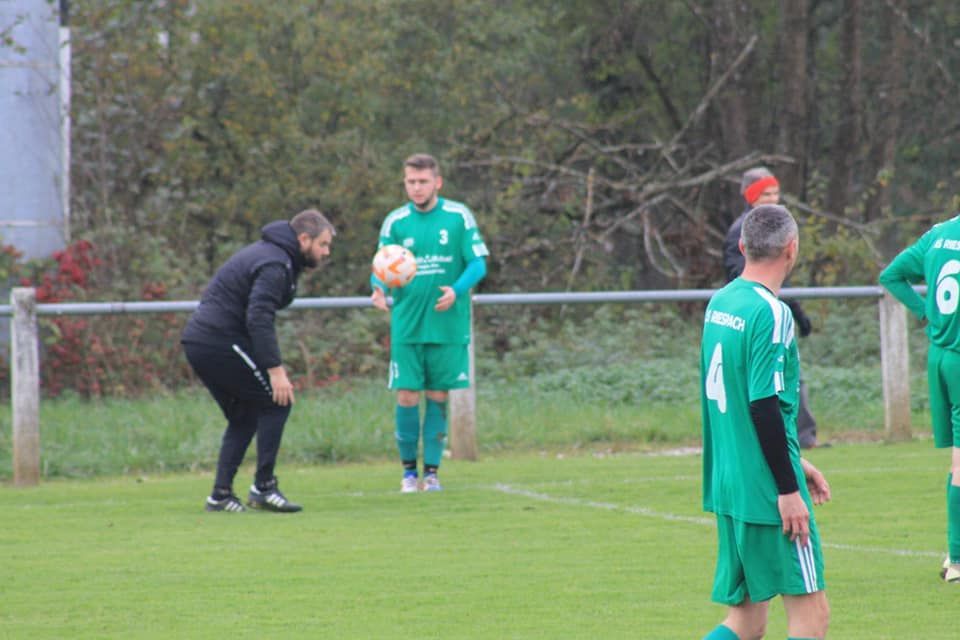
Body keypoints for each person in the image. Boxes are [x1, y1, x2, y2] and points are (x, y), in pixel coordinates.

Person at [700, 204, 831, 640]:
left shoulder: (721, 302)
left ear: (743, 245)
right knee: (812, 617)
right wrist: (788, 488)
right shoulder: (771, 313)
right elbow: (763, 406)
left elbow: (739, 404)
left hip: (729, 483)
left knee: (747, 621)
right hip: (766, 490)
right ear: (792, 249)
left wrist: (798, 462)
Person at [182, 209, 335, 512]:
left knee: (245, 415)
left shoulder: (278, 256)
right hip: (218, 339)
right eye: (323, 245)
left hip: (203, 340)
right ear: (304, 239)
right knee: (277, 400)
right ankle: (263, 487)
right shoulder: (275, 263)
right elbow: (259, 317)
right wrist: (275, 371)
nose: (326, 252)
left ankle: (220, 496)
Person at [371, 153, 488, 493]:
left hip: (446, 324)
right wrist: (377, 289)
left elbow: (478, 264)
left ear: (437, 182)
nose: (417, 188)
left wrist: (457, 289)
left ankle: (432, 473)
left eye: (423, 181)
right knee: (407, 395)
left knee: (437, 395)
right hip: (406, 324)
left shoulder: (457, 216)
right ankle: (409, 473)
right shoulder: (395, 222)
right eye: (411, 182)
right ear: (405, 183)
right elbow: (382, 266)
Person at [879, 213, 960, 583]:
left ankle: (954, 555)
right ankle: (957, 560)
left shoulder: (939, 233)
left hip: (940, 358)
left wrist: (924, 312)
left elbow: (891, 275)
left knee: (958, 461)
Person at [723, 167, 821, 449]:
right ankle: (792, 439)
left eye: (776, 193)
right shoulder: (741, 232)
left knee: (790, 376)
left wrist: (796, 312)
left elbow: (778, 280)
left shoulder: (776, 228)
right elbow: (751, 277)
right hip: (758, 319)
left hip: (773, 313)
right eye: (766, 194)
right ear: (751, 196)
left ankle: (802, 437)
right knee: (768, 384)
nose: (773, 199)